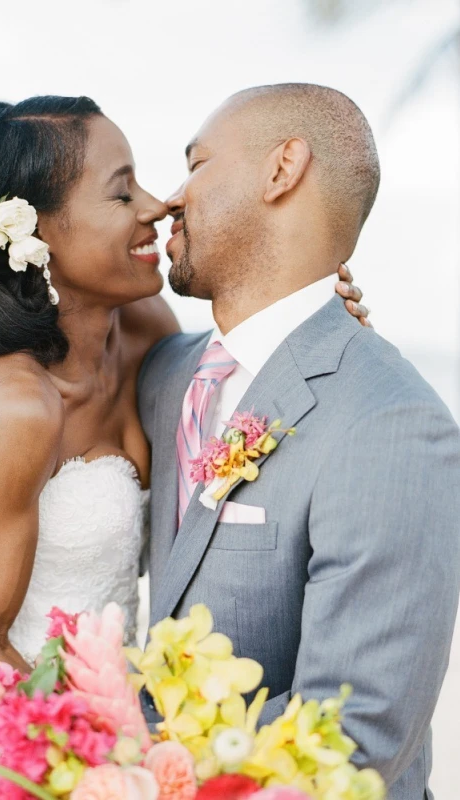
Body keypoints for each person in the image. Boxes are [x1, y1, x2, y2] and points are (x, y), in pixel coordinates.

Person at [0, 94, 367, 797]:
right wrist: (83, 766)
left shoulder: (144, 328)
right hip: (22, 751)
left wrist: (317, 318)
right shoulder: (12, 410)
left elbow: (239, 378)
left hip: (132, 730)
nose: (158, 206)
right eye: (122, 191)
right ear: (40, 233)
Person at [136, 84, 460, 799]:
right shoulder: (163, 377)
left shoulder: (391, 421)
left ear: (283, 169)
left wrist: (134, 770)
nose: (169, 197)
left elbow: (353, 731)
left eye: (197, 163)